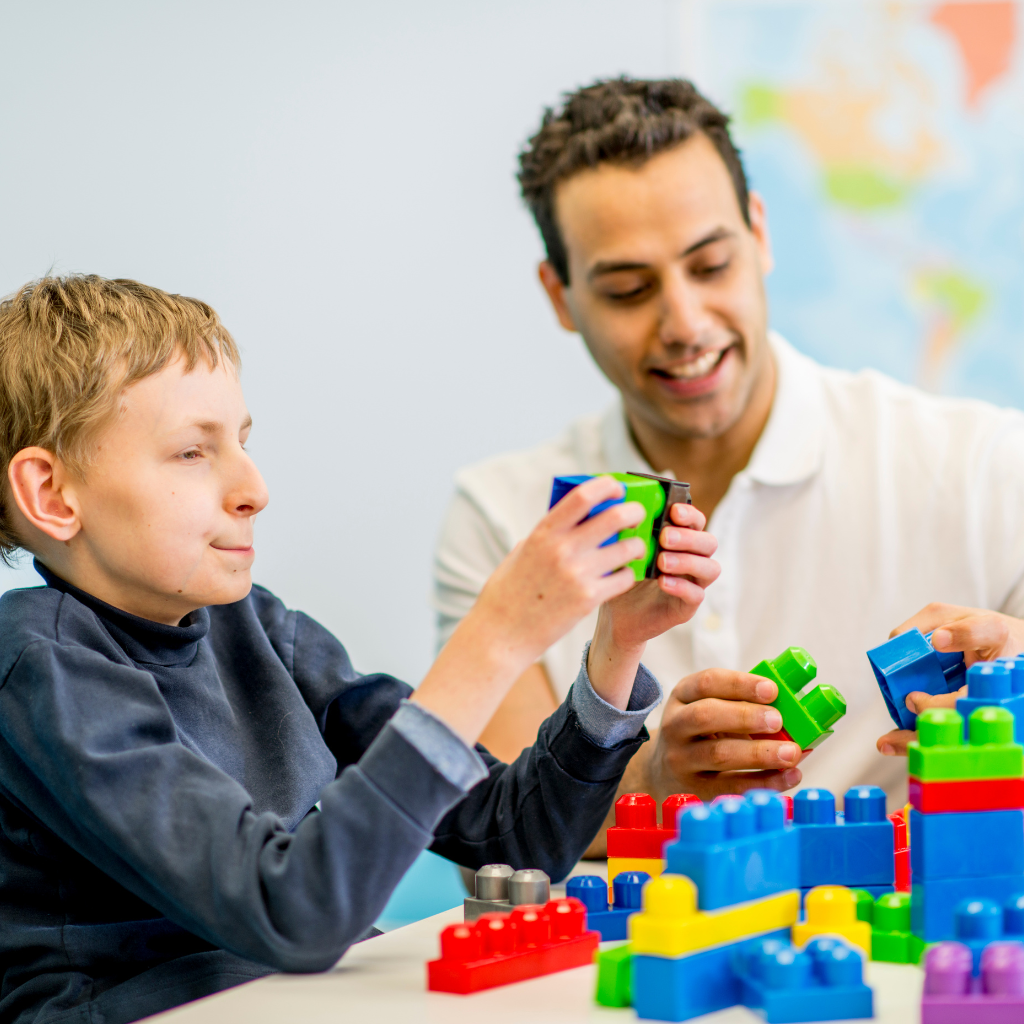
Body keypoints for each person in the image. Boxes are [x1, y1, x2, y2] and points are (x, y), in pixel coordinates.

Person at [0, 275, 720, 1024]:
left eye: (242, 443)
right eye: (191, 452)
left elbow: (514, 838)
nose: (254, 488)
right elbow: (291, 911)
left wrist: (617, 643)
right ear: (52, 495)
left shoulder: (252, 625)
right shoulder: (38, 666)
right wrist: (498, 638)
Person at [433, 77, 1024, 842]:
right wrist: (652, 781)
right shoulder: (501, 515)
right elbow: (498, 825)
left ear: (760, 234)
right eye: (627, 289)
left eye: (710, 266)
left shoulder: (985, 465)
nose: (684, 323)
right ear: (560, 296)